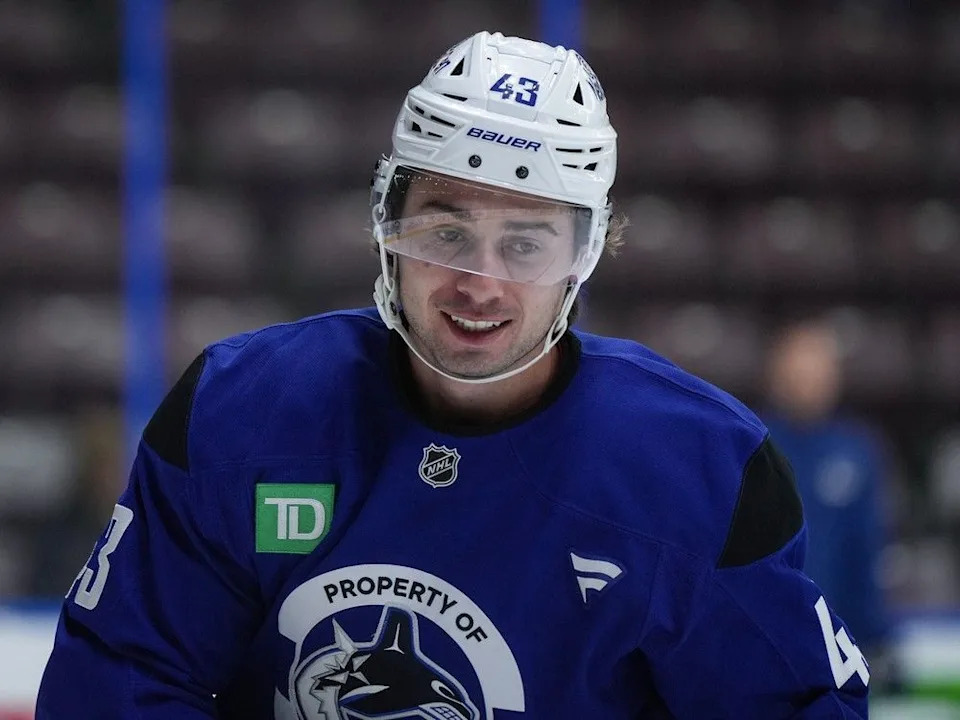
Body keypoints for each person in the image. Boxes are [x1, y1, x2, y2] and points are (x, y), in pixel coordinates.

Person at [37, 32, 869, 719]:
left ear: (584, 257)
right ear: (386, 225)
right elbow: (119, 677)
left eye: (526, 243)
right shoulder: (239, 411)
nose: (480, 282)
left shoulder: (701, 471)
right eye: (443, 232)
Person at [762, 315, 897, 690]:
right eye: (798, 366)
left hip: (841, 640)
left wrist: (876, 636)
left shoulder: (858, 450)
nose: (808, 378)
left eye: (818, 366)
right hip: (767, 637)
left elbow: (867, 550)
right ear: (777, 371)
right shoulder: (753, 443)